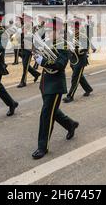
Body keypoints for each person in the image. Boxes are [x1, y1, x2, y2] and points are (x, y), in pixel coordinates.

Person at [32, 17, 79, 160]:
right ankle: (70, 124)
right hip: (45, 82)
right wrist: (37, 55)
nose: (46, 32)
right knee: (52, 110)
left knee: (46, 114)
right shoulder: (47, 43)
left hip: (56, 85)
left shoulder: (64, 45)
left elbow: (60, 65)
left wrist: (43, 61)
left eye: (49, 30)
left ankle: (42, 146)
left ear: (57, 30)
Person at [63, 17, 93, 103]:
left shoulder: (83, 37)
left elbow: (85, 49)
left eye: (74, 27)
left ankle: (70, 96)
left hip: (80, 61)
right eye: (71, 27)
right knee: (80, 77)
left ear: (77, 28)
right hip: (73, 60)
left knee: (75, 78)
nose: (72, 29)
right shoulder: (71, 36)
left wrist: (75, 50)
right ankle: (88, 89)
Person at [18, 14, 41, 88]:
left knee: (25, 66)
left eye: (23, 18)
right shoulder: (23, 26)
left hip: (29, 49)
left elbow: (29, 36)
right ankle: (36, 74)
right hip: (23, 48)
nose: (21, 19)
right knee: (25, 65)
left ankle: (23, 81)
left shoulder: (31, 26)